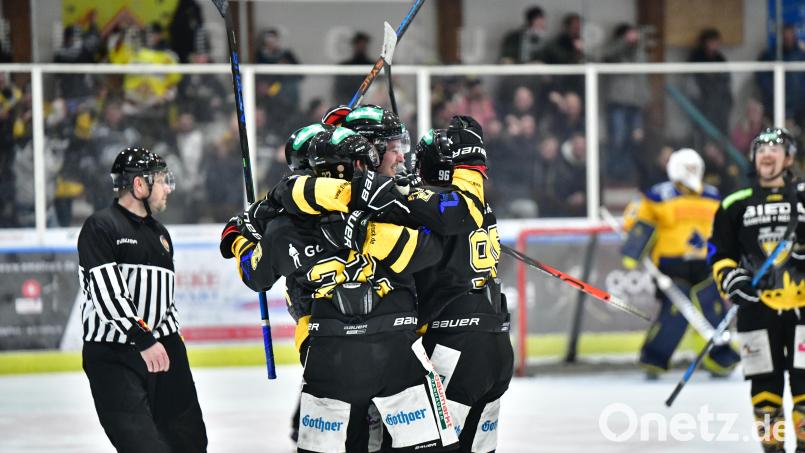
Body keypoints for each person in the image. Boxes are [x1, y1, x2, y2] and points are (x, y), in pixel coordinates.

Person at [221, 127, 459, 452]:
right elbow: (432, 250)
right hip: (396, 349)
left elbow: (255, 275)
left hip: (329, 356)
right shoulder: (389, 203)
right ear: (358, 166)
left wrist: (239, 236)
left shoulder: (284, 225)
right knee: (431, 446)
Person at [77, 147, 207, 452]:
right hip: (114, 355)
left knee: (190, 443)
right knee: (142, 446)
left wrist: (168, 341)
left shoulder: (160, 233)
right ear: (139, 185)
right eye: (162, 180)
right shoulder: (101, 227)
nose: (168, 188)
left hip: (165, 349)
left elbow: (165, 299)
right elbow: (106, 292)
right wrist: (143, 338)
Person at [411, 117, 514, 452]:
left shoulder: (435, 209)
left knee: (434, 445)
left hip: (455, 347)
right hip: (495, 342)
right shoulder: (479, 205)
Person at [709, 128, 805, 453]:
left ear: (788, 157)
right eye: (761, 148)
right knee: (764, 391)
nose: (767, 153)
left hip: (803, 311)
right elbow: (719, 253)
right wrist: (732, 280)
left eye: (775, 148)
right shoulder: (734, 204)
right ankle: (773, 449)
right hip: (756, 312)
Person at [622, 148, 740, 380]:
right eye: (687, 168)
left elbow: (723, 231)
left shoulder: (713, 196)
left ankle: (720, 359)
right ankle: (654, 359)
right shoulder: (658, 195)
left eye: (694, 168)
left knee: (712, 311)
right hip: (671, 268)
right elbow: (640, 223)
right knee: (674, 314)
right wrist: (633, 250)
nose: (691, 173)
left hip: (705, 267)